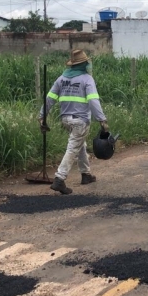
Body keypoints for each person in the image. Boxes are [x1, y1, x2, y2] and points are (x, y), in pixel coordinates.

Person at [39, 49, 109, 194]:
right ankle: (59, 178)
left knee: (80, 144)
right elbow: (93, 101)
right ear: (84, 64)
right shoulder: (87, 79)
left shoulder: (62, 79)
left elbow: (49, 98)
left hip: (65, 120)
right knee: (73, 148)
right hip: (80, 121)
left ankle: (86, 174)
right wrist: (102, 120)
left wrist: (42, 115)